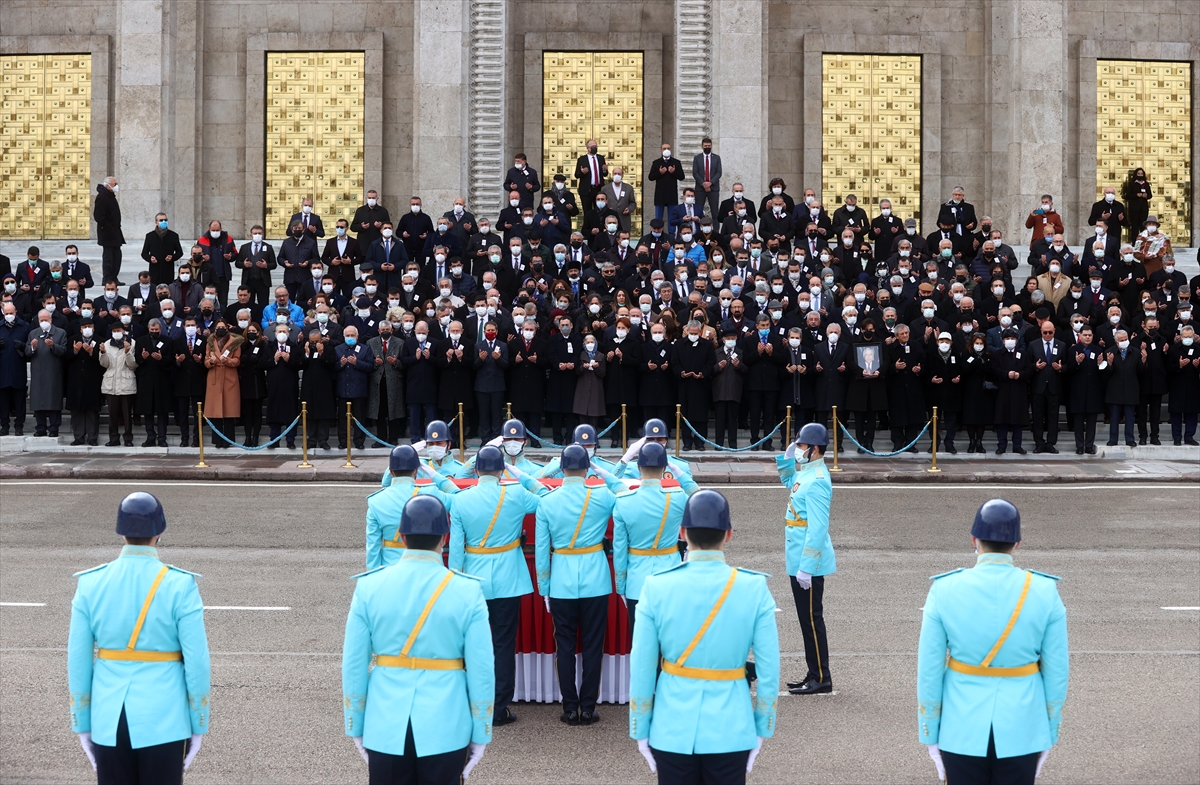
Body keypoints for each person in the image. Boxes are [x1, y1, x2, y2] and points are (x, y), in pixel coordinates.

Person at [629, 489, 779, 785]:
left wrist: (640, 727)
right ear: (729, 534)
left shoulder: (656, 586)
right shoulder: (753, 587)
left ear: (682, 532)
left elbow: (642, 666)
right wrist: (763, 727)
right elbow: (769, 669)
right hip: (731, 728)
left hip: (672, 727)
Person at [343, 495, 493, 785]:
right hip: (447, 723)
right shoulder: (467, 591)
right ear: (444, 537)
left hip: (386, 722)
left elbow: (354, 664)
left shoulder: (369, 586)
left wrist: (356, 725)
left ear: (401, 536)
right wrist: (481, 730)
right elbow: (482, 669)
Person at [918, 500, 1068, 785]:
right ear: (1018, 543)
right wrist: (1049, 730)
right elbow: (1057, 671)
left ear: (974, 540)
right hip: (1023, 726)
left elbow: (929, 669)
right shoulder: (1045, 590)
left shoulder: (944, 588)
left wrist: (929, 731)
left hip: (960, 727)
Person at [68, 492, 210, 783]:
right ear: (159, 531)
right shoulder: (180, 584)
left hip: (109, 717)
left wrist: (82, 722)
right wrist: (198, 722)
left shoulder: (90, 583)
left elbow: (78, 660)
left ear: (121, 533)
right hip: (165, 717)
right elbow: (197, 662)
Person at [448, 445, 544, 728]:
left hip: (473, 579)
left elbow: (456, 550)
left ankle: (472, 704)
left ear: (476, 470)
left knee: (473, 645)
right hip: (508, 579)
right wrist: (524, 476)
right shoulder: (514, 494)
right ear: (502, 470)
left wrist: (456, 581)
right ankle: (499, 708)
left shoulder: (461, 501)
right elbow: (547, 499)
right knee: (503, 645)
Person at [534, 444, 618, 726]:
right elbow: (624, 493)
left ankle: (570, 707)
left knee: (565, 645)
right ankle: (589, 706)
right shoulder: (603, 495)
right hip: (596, 578)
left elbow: (542, 553)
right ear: (586, 467)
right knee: (594, 645)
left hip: (561, 580)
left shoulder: (547, 502)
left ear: (561, 468)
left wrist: (544, 588)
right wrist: (602, 472)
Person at [773, 424, 836, 694]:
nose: (798, 450)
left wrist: (807, 567)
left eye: (800, 446)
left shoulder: (819, 480)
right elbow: (790, 482)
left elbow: (818, 528)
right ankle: (814, 672)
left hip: (807, 561)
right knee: (806, 620)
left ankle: (821, 677)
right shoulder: (808, 473)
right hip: (797, 557)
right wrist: (787, 459)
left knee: (811, 620)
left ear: (815, 449)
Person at [610, 441, 686, 635]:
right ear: (664, 467)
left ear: (638, 467)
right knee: (669, 646)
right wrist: (681, 475)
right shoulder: (677, 497)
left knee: (643, 646)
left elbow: (619, 548)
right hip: (670, 576)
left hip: (637, 581)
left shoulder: (624, 501)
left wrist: (621, 586)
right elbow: (699, 497)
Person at [365, 445, 458, 569]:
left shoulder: (376, 501)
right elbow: (460, 497)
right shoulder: (431, 493)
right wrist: (435, 475)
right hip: (428, 570)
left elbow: (373, 548)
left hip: (392, 570)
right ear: (416, 471)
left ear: (391, 472)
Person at [26, 308, 68, 437]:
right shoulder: (33, 333)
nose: (44, 322)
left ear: (51, 320)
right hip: (38, 372)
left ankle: (54, 428)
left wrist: (52, 346)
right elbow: (27, 352)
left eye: (46, 319)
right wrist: (32, 347)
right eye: (41, 320)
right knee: (38, 401)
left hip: (53, 372)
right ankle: (41, 428)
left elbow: (63, 351)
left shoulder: (60, 333)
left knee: (53, 400)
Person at [134, 319, 174, 446]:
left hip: (162, 381)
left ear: (160, 329)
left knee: (162, 412)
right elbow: (136, 360)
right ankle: (150, 437)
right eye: (152, 330)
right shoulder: (141, 341)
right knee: (148, 411)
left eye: (156, 330)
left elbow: (171, 359)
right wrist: (143, 358)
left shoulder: (168, 341)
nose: (154, 332)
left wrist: (161, 359)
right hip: (146, 382)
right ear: (148, 329)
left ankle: (162, 438)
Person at [1065, 326, 1105, 454]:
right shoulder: (1072, 350)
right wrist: (1076, 362)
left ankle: (1089, 445)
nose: (1087, 337)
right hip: (1078, 391)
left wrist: (1101, 364)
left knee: (1092, 421)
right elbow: (1067, 371)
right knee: (1078, 421)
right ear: (1080, 336)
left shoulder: (1098, 350)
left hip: (1093, 391)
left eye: (1090, 335)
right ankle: (1079, 446)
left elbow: (1103, 373)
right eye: (1085, 335)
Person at [203, 319, 242, 449]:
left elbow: (237, 361)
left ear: (227, 328)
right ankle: (217, 440)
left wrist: (228, 361)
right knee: (216, 412)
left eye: (223, 327)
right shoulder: (210, 342)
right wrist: (211, 361)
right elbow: (206, 360)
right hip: (214, 376)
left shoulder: (234, 342)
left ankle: (228, 439)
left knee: (229, 411)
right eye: (218, 327)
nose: (221, 329)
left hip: (229, 377)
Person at [990, 328, 1030, 454]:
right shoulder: (997, 354)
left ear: (1017, 341)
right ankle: (1002, 445)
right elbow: (994, 370)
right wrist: (1006, 374)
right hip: (1003, 390)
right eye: (1007, 339)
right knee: (1002, 419)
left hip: (1019, 391)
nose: (1010, 341)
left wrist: (1020, 375)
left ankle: (1017, 445)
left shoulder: (1023, 354)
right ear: (1002, 341)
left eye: (1012, 339)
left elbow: (1029, 370)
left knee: (1018, 420)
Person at [335, 325, 375, 451]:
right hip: (343, 389)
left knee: (359, 417)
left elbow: (370, 366)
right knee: (342, 418)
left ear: (357, 336)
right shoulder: (338, 349)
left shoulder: (365, 349)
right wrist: (340, 364)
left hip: (359, 389)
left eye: (352, 335)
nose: (350, 338)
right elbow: (331, 368)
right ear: (344, 336)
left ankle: (359, 441)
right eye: (348, 335)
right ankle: (342, 441)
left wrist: (357, 363)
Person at [367, 320, 405, 446]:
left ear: (392, 330)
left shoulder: (400, 343)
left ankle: (393, 438)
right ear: (378, 331)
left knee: (393, 411)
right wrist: (374, 362)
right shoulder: (371, 342)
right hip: (377, 382)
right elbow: (367, 362)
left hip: (394, 381)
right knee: (379, 412)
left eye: (387, 329)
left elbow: (404, 364)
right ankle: (381, 438)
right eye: (383, 330)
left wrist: (395, 362)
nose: (385, 332)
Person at [99, 323, 138, 447]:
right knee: (112, 414)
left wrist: (127, 352)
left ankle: (128, 438)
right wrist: (103, 353)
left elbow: (133, 365)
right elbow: (104, 364)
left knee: (127, 414)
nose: (116, 332)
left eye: (118, 330)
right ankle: (113, 438)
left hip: (126, 382)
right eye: (114, 330)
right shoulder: (106, 344)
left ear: (123, 331)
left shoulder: (132, 343)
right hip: (111, 383)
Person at [66, 319, 103, 446]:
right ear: (80, 328)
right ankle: (79, 437)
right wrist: (75, 351)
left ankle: (92, 437)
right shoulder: (73, 339)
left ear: (93, 328)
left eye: (89, 326)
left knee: (92, 410)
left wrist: (92, 353)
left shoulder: (99, 340)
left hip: (93, 380)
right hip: (75, 380)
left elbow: (103, 360)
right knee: (77, 409)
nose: (87, 329)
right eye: (84, 326)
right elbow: (65, 357)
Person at [1104, 329, 1141, 448]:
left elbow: (1140, 371)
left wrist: (1144, 361)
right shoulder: (1109, 352)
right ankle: (1113, 439)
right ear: (1116, 342)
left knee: (1130, 416)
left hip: (1131, 388)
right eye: (1122, 340)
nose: (1125, 342)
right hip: (1115, 389)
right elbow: (1105, 374)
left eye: (1126, 339)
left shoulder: (1135, 352)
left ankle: (1130, 439)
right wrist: (1109, 364)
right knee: (1114, 416)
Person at [473, 320, 508, 444]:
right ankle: (485, 438)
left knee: (496, 413)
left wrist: (498, 359)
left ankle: (496, 438)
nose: (490, 332)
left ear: (497, 332)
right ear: (484, 332)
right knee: (484, 413)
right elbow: (474, 366)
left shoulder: (503, 346)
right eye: (488, 330)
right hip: (482, 385)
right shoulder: (478, 346)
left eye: (493, 330)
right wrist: (480, 359)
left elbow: (506, 365)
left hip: (497, 385)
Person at [1166, 325, 1199, 445]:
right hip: (1177, 385)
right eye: (1185, 336)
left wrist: (1197, 366)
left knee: (1192, 412)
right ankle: (1177, 437)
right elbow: (1168, 368)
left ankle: (1189, 436)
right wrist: (1179, 365)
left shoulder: (1198, 349)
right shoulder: (1174, 350)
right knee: (1176, 412)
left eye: (1190, 336)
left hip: (1193, 385)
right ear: (1180, 337)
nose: (1188, 339)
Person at [0, 302, 30, 436]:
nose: (9, 316)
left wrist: (23, 346)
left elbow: (30, 348)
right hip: (2, 370)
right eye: (6, 314)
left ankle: (19, 426)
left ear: (16, 312)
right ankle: (4, 425)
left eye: (11, 313)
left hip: (18, 368)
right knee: (3, 401)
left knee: (19, 400)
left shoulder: (24, 327)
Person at [237, 325, 267, 447]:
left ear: (258, 332)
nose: (251, 333)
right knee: (247, 413)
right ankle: (248, 436)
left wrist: (258, 362)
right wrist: (242, 362)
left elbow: (266, 360)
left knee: (257, 412)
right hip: (245, 382)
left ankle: (256, 436)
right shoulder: (242, 345)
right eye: (249, 331)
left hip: (257, 381)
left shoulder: (263, 345)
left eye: (253, 331)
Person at [93, 177, 125, 284]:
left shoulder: (110, 195)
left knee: (116, 256)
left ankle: (113, 277)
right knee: (109, 258)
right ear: (107, 185)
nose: (116, 186)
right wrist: (109, 227)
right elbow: (99, 216)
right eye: (114, 184)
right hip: (108, 233)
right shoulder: (102, 196)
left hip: (115, 232)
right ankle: (107, 279)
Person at [141, 213, 184, 288]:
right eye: (161, 220)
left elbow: (179, 252)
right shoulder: (150, 236)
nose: (164, 222)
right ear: (156, 222)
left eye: (165, 220)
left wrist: (172, 257)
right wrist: (150, 258)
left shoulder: (173, 235)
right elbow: (144, 253)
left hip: (168, 269)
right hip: (154, 269)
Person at [648, 142, 685, 227]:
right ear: (661, 150)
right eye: (664, 148)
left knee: (672, 218)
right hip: (660, 194)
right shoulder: (656, 163)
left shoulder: (676, 162)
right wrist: (660, 173)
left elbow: (682, 177)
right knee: (658, 217)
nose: (666, 150)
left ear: (671, 150)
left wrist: (673, 172)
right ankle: (658, 234)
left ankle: (671, 236)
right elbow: (651, 177)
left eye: (668, 148)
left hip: (671, 194)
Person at [691, 137, 722, 218]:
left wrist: (710, 183)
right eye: (705, 146)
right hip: (700, 188)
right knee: (698, 211)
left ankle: (716, 229)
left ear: (711, 146)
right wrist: (703, 183)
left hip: (713, 188)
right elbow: (695, 172)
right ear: (702, 146)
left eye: (709, 146)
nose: (707, 147)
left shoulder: (717, 158)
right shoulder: (697, 158)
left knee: (715, 212)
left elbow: (719, 172)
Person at [1120, 167, 1152, 243]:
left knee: (1143, 226)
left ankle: (1143, 242)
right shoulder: (1132, 184)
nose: (1140, 175)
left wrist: (1146, 195)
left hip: (1143, 208)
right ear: (1136, 174)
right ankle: (1134, 242)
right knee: (1134, 226)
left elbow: (1150, 195)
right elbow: (1127, 195)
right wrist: (1136, 195)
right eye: (1138, 173)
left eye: (1141, 174)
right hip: (1134, 208)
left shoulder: (1146, 184)